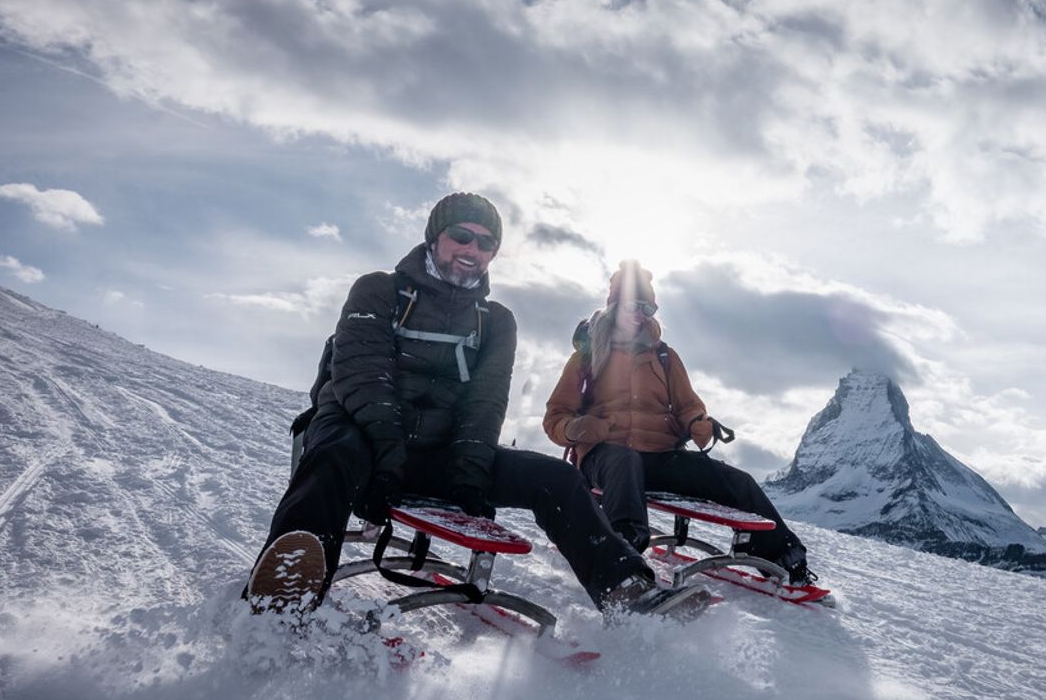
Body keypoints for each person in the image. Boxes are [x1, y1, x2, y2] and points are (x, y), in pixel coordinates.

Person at [245, 194, 710, 620]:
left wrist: (468, 472)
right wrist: (386, 457)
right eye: (461, 235)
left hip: (438, 456)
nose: (473, 248)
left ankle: (626, 590)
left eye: (486, 242)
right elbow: (361, 378)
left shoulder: (496, 322)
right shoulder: (378, 292)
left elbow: (484, 404)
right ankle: (287, 589)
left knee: (557, 478)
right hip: (365, 446)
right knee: (332, 451)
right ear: (435, 237)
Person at [543, 261, 814, 584]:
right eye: (634, 304)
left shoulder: (664, 356)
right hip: (604, 455)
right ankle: (621, 558)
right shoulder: (587, 357)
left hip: (658, 455)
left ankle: (787, 561)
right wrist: (576, 428)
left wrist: (699, 423)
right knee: (624, 461)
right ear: (614, 305)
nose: (641, 313)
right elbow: (556, 417)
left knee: (738, 482)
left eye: (648, 306)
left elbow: (688, 405)